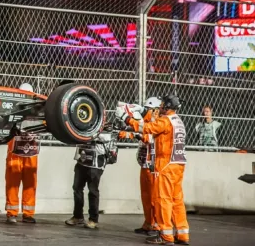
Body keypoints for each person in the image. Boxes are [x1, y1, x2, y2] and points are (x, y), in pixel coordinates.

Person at [120, 95, 190, 245]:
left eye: (163, 104)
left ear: (167, 106)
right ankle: (182, 234)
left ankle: (166, 236)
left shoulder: (165, 121)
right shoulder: (178, 121)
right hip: (178, 165)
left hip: (166, 165)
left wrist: (127, 118)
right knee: (177, 201)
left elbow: (146, 128)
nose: (161, 107)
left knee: (162, 200)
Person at [118, 96, 161, 236]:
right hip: (144, 165)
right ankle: (148, 223)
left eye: (148, 109)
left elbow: (149, 139)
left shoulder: (159, 123)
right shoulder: (145, 122)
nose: (145, 112)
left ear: (155, 110)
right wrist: (124, 133)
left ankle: (155, 225)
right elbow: (138, 131)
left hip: (153, 167)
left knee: (154, 198)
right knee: (145, 197)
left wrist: (136, 133)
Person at [5, 82, 40, 224]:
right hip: (15, 149)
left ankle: (28, 213)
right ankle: (12, 213)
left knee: (30, 182)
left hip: (31, 150)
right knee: (12, 182)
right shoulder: (11, 107)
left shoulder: (38, 108)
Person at [65, 131, 112, 229]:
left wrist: (89, 134)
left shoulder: (102, 120)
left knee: (93, 191)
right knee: (77, 188)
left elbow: (107, 137)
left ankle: (93, 219)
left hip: (96, 161)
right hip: (82, 158)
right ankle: (78, 216)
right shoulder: (81, 122)